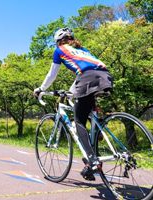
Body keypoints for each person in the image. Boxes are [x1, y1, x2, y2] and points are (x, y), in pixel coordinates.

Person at [33, 27, 113, 181]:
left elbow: (52, 75)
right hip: (105, 76)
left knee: (78, 122)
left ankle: (92, 160)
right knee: (79, 101)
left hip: (87, 77)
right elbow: (87, 71)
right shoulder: (82, 49)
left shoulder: (59, 50)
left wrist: (41, 89)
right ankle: (98, 129)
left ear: (58, 42)